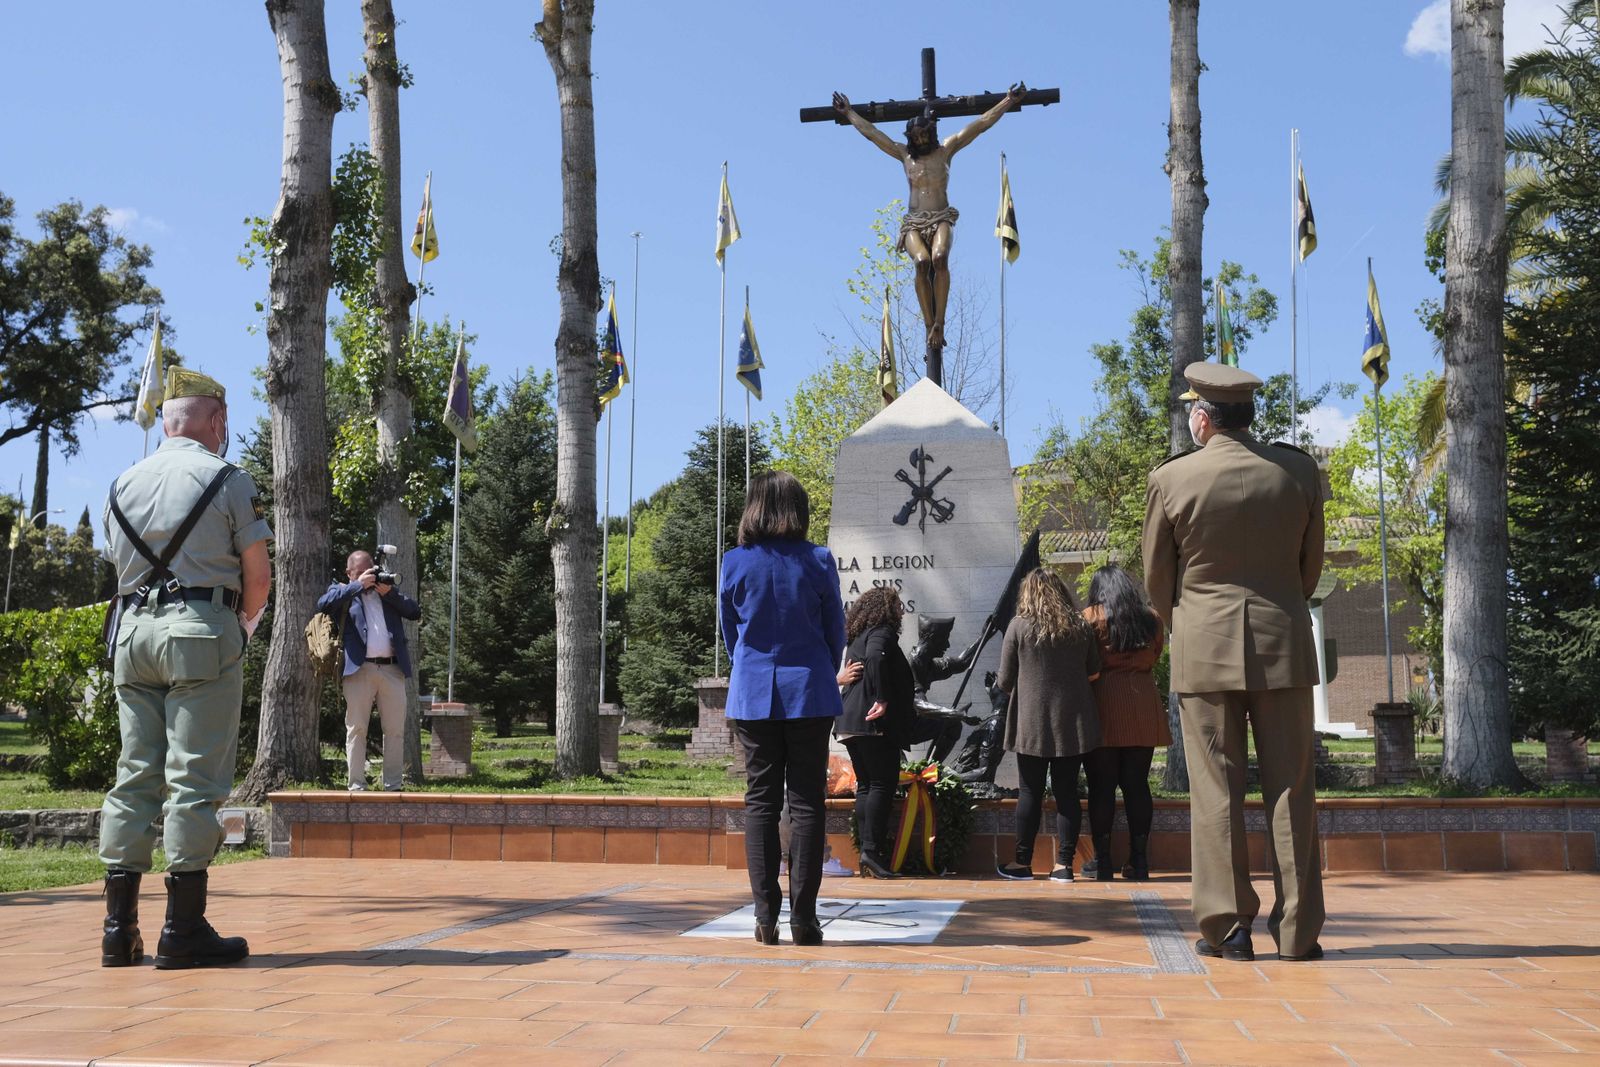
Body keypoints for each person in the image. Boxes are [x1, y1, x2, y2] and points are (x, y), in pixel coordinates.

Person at [1143, 362, 1327, 963]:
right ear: (1249, 415)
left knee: (1215, 791)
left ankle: (1227, 929)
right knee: (1292, 789)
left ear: (1203, 418)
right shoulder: (1298, 471)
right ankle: (1299, 933)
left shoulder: (1174, 481)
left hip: (1203, 649)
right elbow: (1309, 570)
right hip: (1285, 647)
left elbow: (1157, 580)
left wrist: (1185, 625)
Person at [98, 367, 272, 970]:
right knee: (195, 778)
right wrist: (239, 631)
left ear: (168, 420)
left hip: (132, 636)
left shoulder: (121, 481)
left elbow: (117, 570)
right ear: (215, 420)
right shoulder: (225, 477)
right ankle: (184, 929)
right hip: (201, 633)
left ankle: (118, 931)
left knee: (134, 775)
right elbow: (258, 577)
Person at [720, 471, 847, 946]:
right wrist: (817, 666)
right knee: (808, 803)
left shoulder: (734, 563)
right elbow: (836, 627)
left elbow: (731, 633)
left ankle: (764, 916)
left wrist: (753, 667)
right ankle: (805, 919)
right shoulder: (818, 560)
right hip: (810, 690)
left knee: (761, 801)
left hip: (753, 692)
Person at [832, 83, 1025, 356]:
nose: (921, 141)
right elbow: (873, 134)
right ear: (910, 137)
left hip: (941, 216)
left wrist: (1007, 100)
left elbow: (981, 124)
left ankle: (940, 323)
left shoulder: (945, 151)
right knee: (921, 262)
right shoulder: (904, 155)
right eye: (917, 137)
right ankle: (929, 325)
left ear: (931, 134)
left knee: (939, 258)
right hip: (913, 221)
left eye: (925, 135)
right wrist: (849, 113)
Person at [995, 568, 1102, 881]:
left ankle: (1022, 863)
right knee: (1067, 791)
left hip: (1031, 721)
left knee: (1030, 791)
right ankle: (1065, 865)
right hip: (1073, 719)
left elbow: (1004, 680)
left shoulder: (1019, 626)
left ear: (1027, 594)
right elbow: (1094, 672)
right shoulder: (1080, 625)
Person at [1080, 565, 1172, 882]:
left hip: (1102, 704)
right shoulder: (1151, 618)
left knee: (1101, 787)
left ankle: (1102, 861)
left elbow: (1083, 661)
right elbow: (1156, 654)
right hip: (1142, 704)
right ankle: (1139, 862)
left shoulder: (1089, 618)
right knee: (1137, 785)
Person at [316, 549, 421, 792]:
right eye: (362, 572)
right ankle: (356, 786)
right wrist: (356, 586)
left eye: (370, 570)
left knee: (395, 730)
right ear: (349, 572)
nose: (368, 576)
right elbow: (323, 604)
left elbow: (414, 611)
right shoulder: (343, 590)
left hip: (392, 669)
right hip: (359, 670)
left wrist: (391, 595)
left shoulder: (384, 592)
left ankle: (393, 786)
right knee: (357, 729)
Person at [836, 587, 916, 879]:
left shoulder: (858, 634)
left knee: (868, 785)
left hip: (850, 720)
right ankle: (872, 851)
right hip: (872, 721)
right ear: (886, 609)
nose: (901, 611)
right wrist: (882, 698)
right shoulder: (881, 631)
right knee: (882, 783)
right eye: (897, 605)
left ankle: (867, 852)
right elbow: (877, 659)